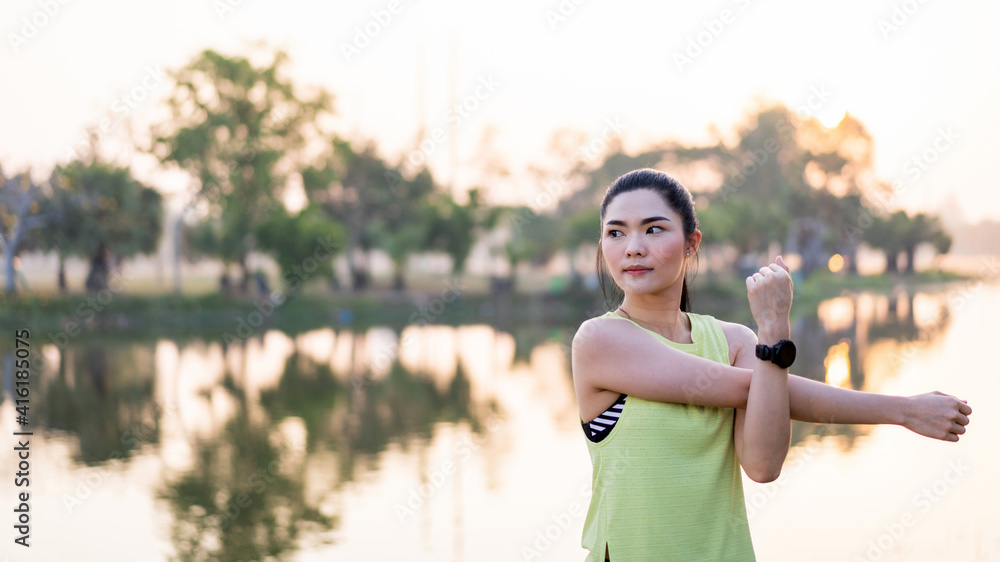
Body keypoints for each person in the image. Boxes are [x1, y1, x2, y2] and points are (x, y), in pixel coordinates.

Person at [570, 168, 972, 562]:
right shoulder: (600, 341)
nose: (633, 247)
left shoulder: (734, 343)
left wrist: (773, 328)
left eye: (653, 229)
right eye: (615, 232)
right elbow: (752, 389)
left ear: (692, 243)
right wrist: (903, 410)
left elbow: (763, 466)